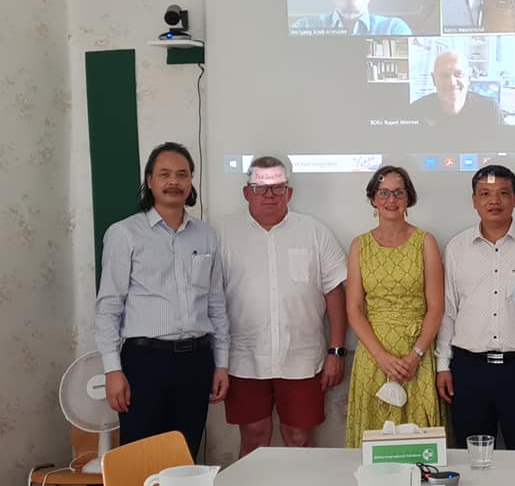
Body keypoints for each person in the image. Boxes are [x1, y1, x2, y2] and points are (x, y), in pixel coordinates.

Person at [95, 142, 229, 458]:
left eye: (182, 175)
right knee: (140, 458)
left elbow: (216, 304)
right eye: (165, 174)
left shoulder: (206, 236)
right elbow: (108, 307)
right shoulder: (124, 233)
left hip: (196, 362)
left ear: (191, 182)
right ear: (150, 181)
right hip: (144, 363)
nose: (174, 182)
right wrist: (112, 370)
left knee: (183, 457)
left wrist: (221, 363)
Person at [218, 156, 347, 457]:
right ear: (246, 192)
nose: (269, 195)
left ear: (289, 192)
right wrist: (217, 361)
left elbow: (334, 292)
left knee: (299, 438)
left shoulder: (314, 231)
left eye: (277, 187)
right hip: (243, 358)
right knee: (254, 439)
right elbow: (211, 299)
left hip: (302, 357)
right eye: (260, 187)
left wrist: (337, 351)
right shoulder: (222, 234)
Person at [436, 165, 515, 449]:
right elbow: (448, 312)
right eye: (485, 194)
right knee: (473, 457)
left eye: (503, 193)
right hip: (469, 370)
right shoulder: (457, 248)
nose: (494, 201)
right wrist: (443, 365)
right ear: (474, 200)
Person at [344, 166, 444, 447]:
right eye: (384, 193)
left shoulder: (425, 242)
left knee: (418, 443)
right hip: (374, 354)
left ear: (408, 198)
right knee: (375, 441)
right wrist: (381, 356)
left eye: (399, 192)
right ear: (373, 199)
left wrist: (415, 355)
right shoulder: (359, 245)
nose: (391, 199)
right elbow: (354, 309)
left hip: (416, 356)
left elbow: (436, 308)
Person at [409, 50, 500, 131]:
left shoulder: (489, 110)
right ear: (434, 79)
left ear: (469, 79)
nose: (452, 82)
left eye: (458, 74)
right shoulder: (416, 111)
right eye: (444, 75)